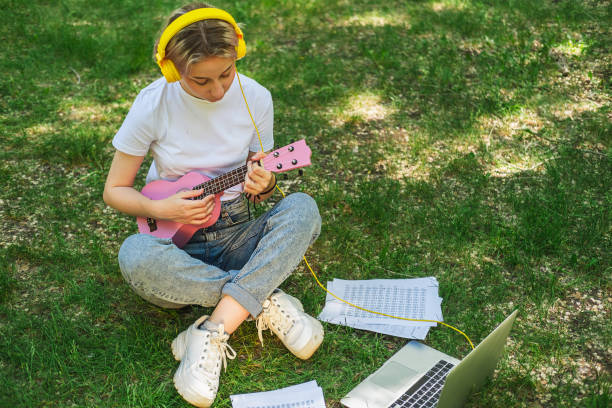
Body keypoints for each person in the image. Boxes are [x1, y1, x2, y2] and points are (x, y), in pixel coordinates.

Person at [102, 3, 323, 407]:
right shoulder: (153, 103)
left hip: (238, 231)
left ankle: (214, 326)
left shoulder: (255, 96)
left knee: (304, 208)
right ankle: (259, 298)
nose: (218, 90)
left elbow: (262, 183)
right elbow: (115, 189)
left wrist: (266, 182)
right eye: (201, 80)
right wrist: (167, 209)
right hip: (175, 248)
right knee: (134, 255)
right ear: (171, 68)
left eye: (226, 74)